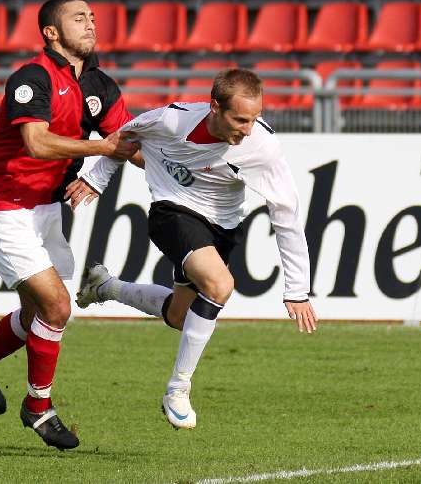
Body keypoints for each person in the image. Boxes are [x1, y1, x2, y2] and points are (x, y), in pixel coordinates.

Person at [66, 68, 318, 430]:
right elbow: (126, 135)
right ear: (214, 106)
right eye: (240, 119)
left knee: (180, 317)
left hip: (223, 228)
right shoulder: (173, 119)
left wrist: (297, 289)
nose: (247, 129)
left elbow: (287, 214)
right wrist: (96, 176)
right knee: (219, 285)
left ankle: (105, 287)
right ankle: (178, 389)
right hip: (173, 210)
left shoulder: (263, 147)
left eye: (255, 119)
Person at [0, 0, 140, 450]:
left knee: (38, 313)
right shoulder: (31, 78)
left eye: (93, 17)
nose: (91, 24)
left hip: (45, 209)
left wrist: (196, 166)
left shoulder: (100, 84)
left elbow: (129, 142)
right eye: (79, 18)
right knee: (56, 307)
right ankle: (39, 408)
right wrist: (102, 150)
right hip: (1, 208)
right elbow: (36, 143)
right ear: (51, 32)